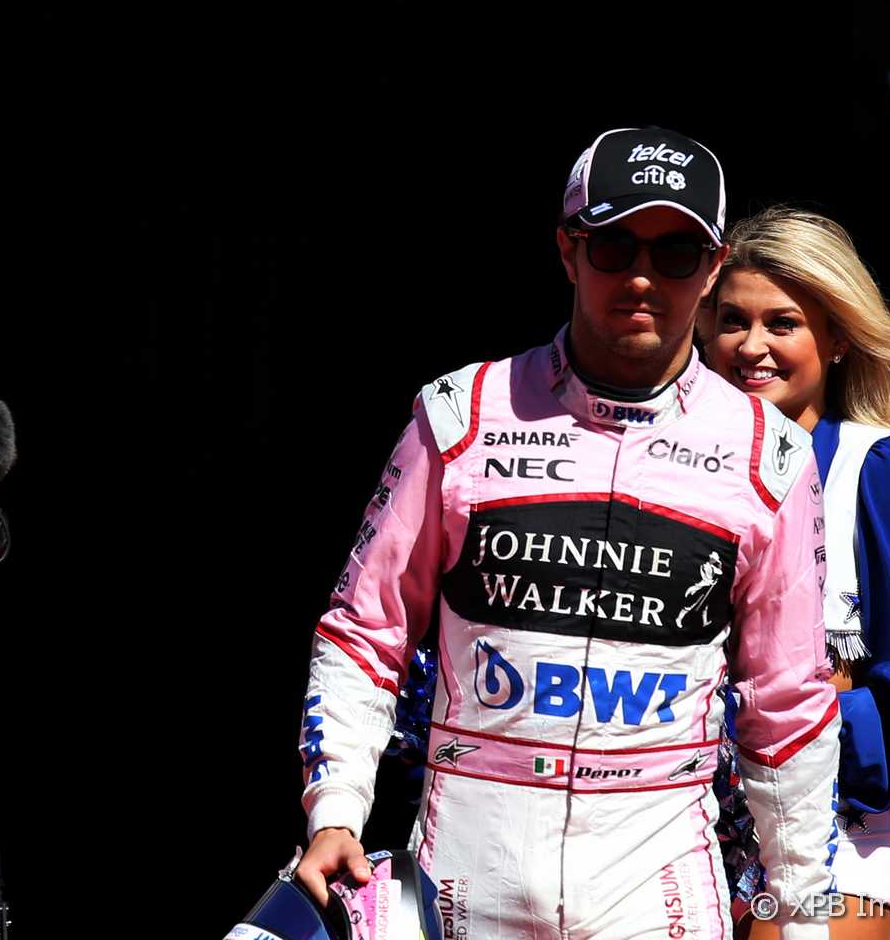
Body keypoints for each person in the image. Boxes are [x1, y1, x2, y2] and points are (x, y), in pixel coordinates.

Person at [293, 126, 843, 939]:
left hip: (658, 887)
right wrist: (336, 807)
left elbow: (787, 702)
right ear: (567, 249)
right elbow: (365, 630)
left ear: (716, 265)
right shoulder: (460, 413)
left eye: (678, 253)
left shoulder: (774, 456)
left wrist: (801, 907)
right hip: (466, 876)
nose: (644, 277)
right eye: (615, 246)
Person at [699, 207, 890, 939]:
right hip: (657, 834)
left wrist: (754, 729)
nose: (751, 347)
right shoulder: (664, 472)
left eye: (782, 323)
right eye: (730, 321)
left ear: (839, 336)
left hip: (831, 838)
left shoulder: (884, 471)